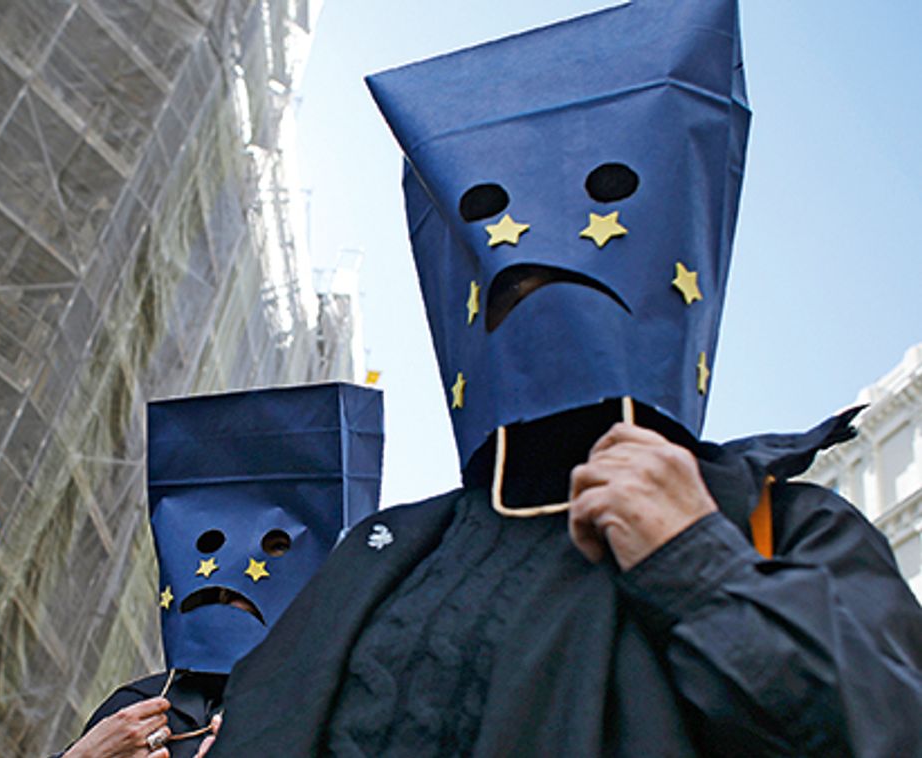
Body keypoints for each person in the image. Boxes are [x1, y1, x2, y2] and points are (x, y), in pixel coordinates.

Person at [209, 1, 922, 755]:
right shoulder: (379, 552)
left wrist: (695, 561)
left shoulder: (775, 521)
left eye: (606, 198)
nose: (527, 253)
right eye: (484, 216)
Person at [57, 383, 383, 758]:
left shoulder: (348, 718)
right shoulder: (136, 710)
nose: (235, 585)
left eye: (277, 548)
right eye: (211, 546)